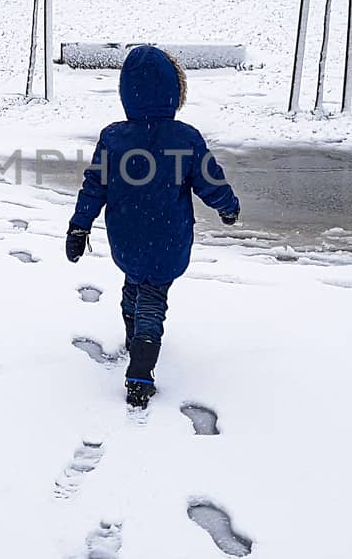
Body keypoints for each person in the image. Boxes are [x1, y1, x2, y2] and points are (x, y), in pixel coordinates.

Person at [65, 46, 241, 408]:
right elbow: (210, 180)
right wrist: (228, 207)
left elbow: (94, 185)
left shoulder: (114, 138)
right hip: (169, 237)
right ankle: (140, 372)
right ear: (174, 92)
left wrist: (80, 226)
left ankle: (133, 335)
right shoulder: (185, 138)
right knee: (153, 300)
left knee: (135, 285)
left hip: (126, 237)